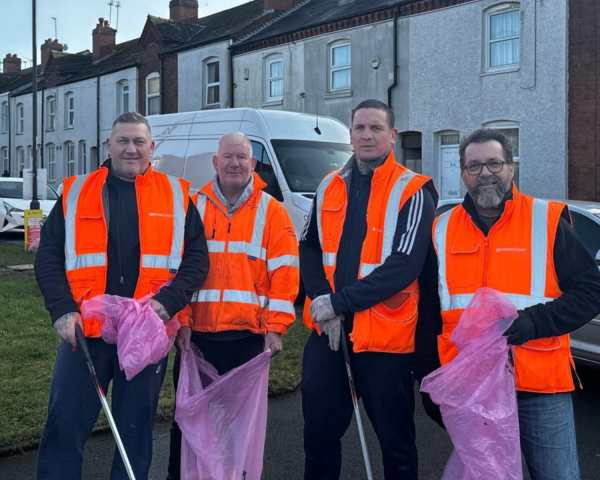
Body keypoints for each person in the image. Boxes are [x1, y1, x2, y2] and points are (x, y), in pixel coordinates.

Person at [34, 112, 209, 480]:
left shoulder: (177, 194)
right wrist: (62, 310)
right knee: (64, 426)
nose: (131, 149)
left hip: (145, 334)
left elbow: (197, 260)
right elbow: (48, 256)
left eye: (139, 142)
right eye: (123, 141)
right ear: (109, 146)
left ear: (151, 149)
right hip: (85, 333)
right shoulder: (77, 192)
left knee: (134, 434)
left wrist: (168, 304)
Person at [419, 128, 600, 479]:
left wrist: (532, 322)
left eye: (494, 163)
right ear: (462, 174)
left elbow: (590, 291)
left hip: (540, 386)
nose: (485, 173)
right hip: (472, 390)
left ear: (510, 169)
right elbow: (428, 312)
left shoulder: (546, 220)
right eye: (474, 166)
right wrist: (430, 380)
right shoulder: (441, 230)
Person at [299, 99, 438, 479]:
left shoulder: (413, 190)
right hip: (328, 336)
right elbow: (308, 246)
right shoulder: (329, 185)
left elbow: (405, 264)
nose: (367, 135)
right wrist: (320, 304)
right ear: (350, 134)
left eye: (376, 128)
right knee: (319, 438)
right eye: (360, 127)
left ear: (392, 136)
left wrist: (339, 303)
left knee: (397, 447)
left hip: (385, 343)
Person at [166, 131, 299, 480]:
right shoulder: (192, 205)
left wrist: (277, 328)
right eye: (228, 156)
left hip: (247, 338)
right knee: (189, 422)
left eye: (242, 157)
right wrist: (181, 320)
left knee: (240, 428)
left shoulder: (273, 212)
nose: (235, 163)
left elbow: (285, 276)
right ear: (215, 161)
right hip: (197, 338)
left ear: (253, 163)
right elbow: (176, 270)